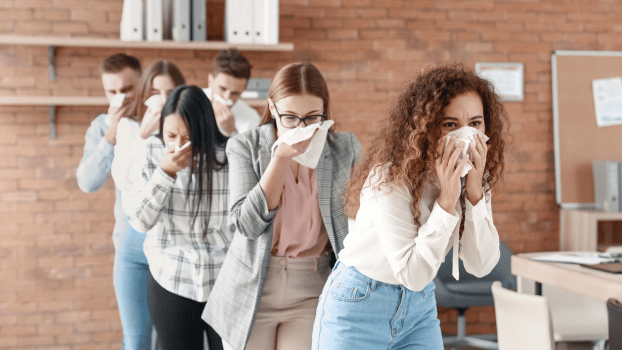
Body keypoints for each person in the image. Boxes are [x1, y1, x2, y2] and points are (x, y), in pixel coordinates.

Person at [311, 64, 508, 350]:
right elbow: (412, 273)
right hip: (360, 304)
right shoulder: (390, 179)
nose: (466, 136)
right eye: (450, 124)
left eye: (475, 124)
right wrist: (446, 200)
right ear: (427, 128)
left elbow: (481, 265)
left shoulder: (473, 178)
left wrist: (475, 194)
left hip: (418, 308)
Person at [204, 62, 362, 350]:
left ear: (325, 111)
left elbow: (363, 217)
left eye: (312, 117)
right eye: (289, 118)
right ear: (272, 109)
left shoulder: (345, 148)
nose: (301, 128)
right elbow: (247, 224)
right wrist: (279, 161)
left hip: (311, 287)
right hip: (251, 288)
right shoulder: (245, 146)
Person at [125, 85, 229, 350]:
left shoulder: (228, 156)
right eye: (171, 135)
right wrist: (165, 173)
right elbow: (140, 221)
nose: (179, 144)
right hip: (170, 277)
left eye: (189, 136)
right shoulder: (150, 152)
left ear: (204, 131)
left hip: (224, 282)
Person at [110, 60, 186, 350]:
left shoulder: (184, 135)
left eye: (170, 93)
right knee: (136, 336)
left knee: (166, 339)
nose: (162, 100)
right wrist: (143, 135)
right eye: (154, 92)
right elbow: (124, 181)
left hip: (169, 246)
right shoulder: (130, 129)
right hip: (134, 245)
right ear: (144, 96)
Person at [203, 48, 261, 137]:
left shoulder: (251, 118)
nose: (227, 97)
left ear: (243, 90)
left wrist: (231, 131)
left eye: (235, 93)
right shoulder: (189, 102)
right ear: (210, 81)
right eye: (222, 89)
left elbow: (247, 151)